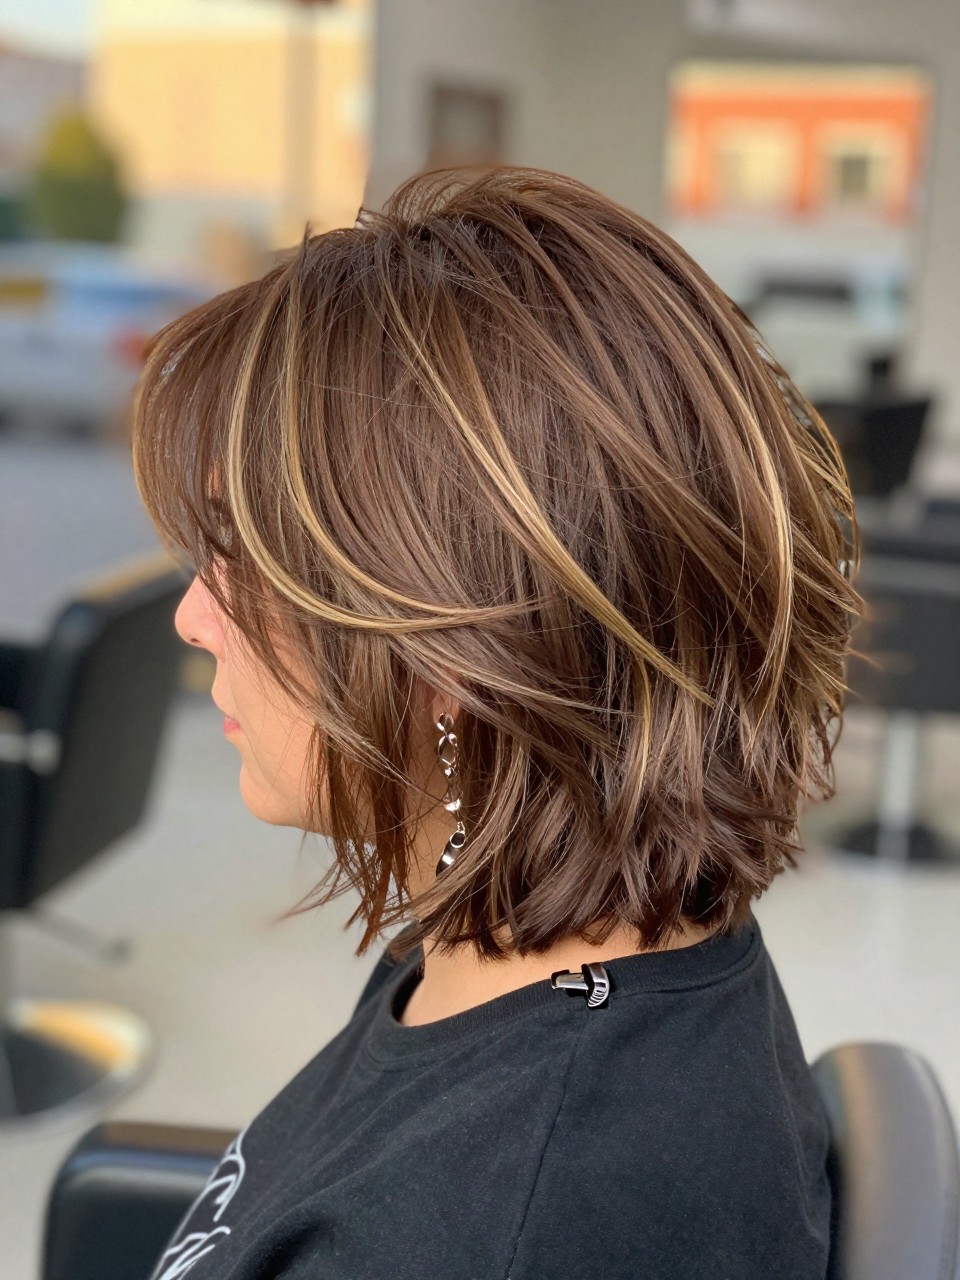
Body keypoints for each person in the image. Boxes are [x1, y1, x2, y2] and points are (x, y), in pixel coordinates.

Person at [132, 165, 860, 1280]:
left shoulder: (505, 1221)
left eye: (249, 557)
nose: (194, 614)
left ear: (461, 649)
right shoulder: (528, 942)